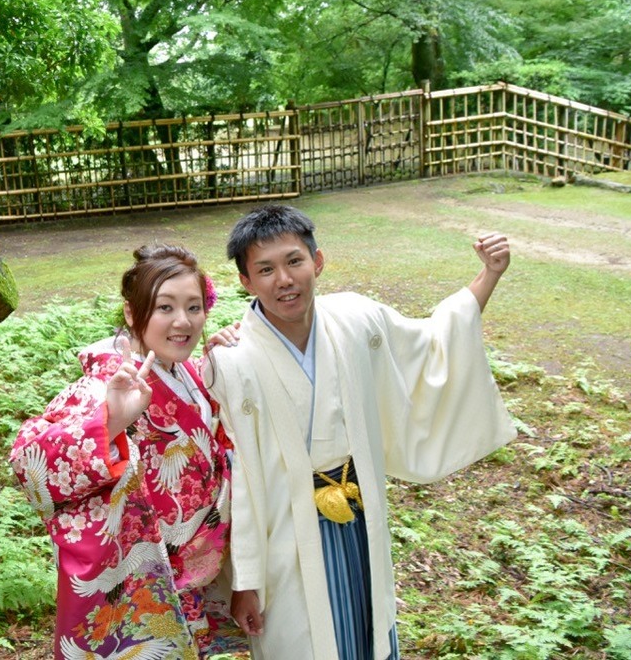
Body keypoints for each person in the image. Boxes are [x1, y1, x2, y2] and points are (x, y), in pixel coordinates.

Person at [203, 204, 517, 660]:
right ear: (246, 282)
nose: (284, 280)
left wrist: (489, 274)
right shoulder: (232, 361)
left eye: (294, 261)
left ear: (318, 261)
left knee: (369, 627)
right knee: (300, 641)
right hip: (284, 538)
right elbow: (240, 479)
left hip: (359, 512)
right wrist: (247, 580)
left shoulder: (356, 319)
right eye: (265, 270)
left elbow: (431, 345)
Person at [9, 244, 247, 659]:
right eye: (165, 308)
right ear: (131, 313)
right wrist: (111, 421)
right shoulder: (110, 382)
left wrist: (221, 359)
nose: (183, 321)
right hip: (148, 580)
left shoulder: (186, 369)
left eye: (194, 307)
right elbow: (28, 463)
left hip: (194, 576)